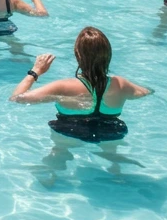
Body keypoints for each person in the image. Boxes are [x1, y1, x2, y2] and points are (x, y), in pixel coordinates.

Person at [9, 27, 152, 144]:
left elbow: (17, 98)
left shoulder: (63, 87)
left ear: (78, 54)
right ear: (108, 54)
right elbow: (147, 92)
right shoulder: (121, 84)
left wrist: (35, 72)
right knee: (112, 156)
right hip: (110, 133)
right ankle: (116, 171)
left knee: (59, 152)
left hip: (69, 132)